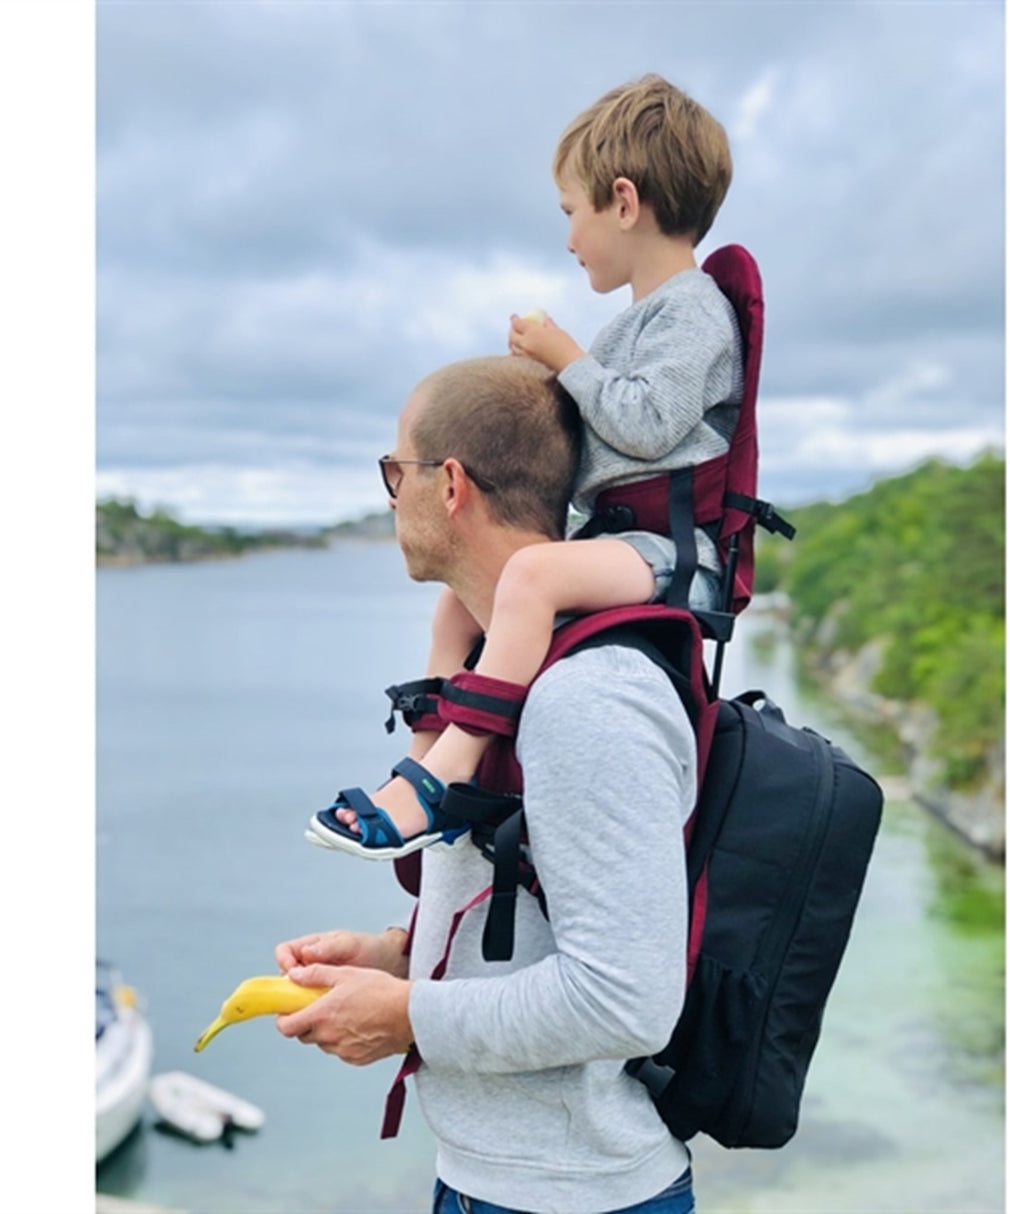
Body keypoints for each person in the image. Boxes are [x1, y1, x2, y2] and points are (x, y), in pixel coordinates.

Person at [277, 354, 699, 1212]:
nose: (390, 496)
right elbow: (550, 917)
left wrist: (407, 1015)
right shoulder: (499, 672)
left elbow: (628, 1000)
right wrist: (400, 957)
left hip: (578, 1198)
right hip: (491, 1183)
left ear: (451, 485)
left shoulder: (587, 696)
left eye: (395, 471)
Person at [306, 74, 742, 858]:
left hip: (673, 558)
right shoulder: (643, 320)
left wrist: (567, 357)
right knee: (457, 607)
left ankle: (451, 773)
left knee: (530, 578)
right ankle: (422, 760)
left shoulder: (695, 311)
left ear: (623, 201)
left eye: (571, 212)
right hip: (621, 545)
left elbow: (647, 426)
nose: (569, 238)